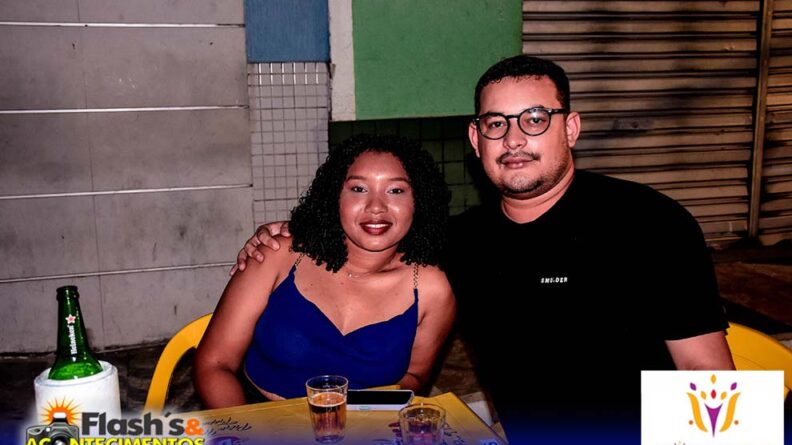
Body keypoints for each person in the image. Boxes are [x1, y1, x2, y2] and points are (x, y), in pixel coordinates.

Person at [231, 56, 734, 442]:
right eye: (496, 123)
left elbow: (708, 376)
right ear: (476, 138)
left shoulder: (651, 223)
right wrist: (286, 234)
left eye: (534, 119)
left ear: (570, 128)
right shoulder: (459, 242)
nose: (513, 139)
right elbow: (367, 243)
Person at [194, 134, 455, 408]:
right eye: (358, 189)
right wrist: (248, 428)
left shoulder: (431, 288)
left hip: (362, 424)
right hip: (255, 414)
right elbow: (214, 363)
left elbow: (414, 376)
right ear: (335, 196)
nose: (376, 207)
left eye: (396, 190)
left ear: (419, 200)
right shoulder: (278, 254)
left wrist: (365, 417)